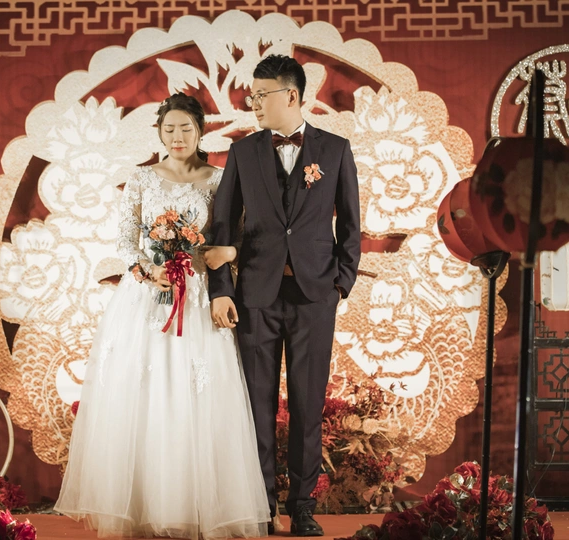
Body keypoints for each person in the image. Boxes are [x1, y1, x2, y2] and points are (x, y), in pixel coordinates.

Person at [55, 92, 270, 540]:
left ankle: (195, 507)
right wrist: (147, 269)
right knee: (144, 394)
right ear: (158, 132)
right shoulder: (141, 179)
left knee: (198, 394)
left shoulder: (219, 179)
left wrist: (208, 261)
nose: (177, 137)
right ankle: (141, 506)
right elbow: (125, 240)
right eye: (169, 129)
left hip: (198, 295)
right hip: (146, 297)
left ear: (200, 131)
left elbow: (233, 236)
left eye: (186, 128)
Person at [207, 55, 361, 537]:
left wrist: (341, 284)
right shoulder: (242, 153)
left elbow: (351, 224)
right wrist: (221, 290)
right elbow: (221, 226)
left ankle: (303, 506)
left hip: (315, 296)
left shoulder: (335, 150)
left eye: (261, 95)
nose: (253, 104)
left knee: (307, 405)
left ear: (291, 96)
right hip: (255, 295)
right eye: (251, 96)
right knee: (256, 405)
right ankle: (261, 504)